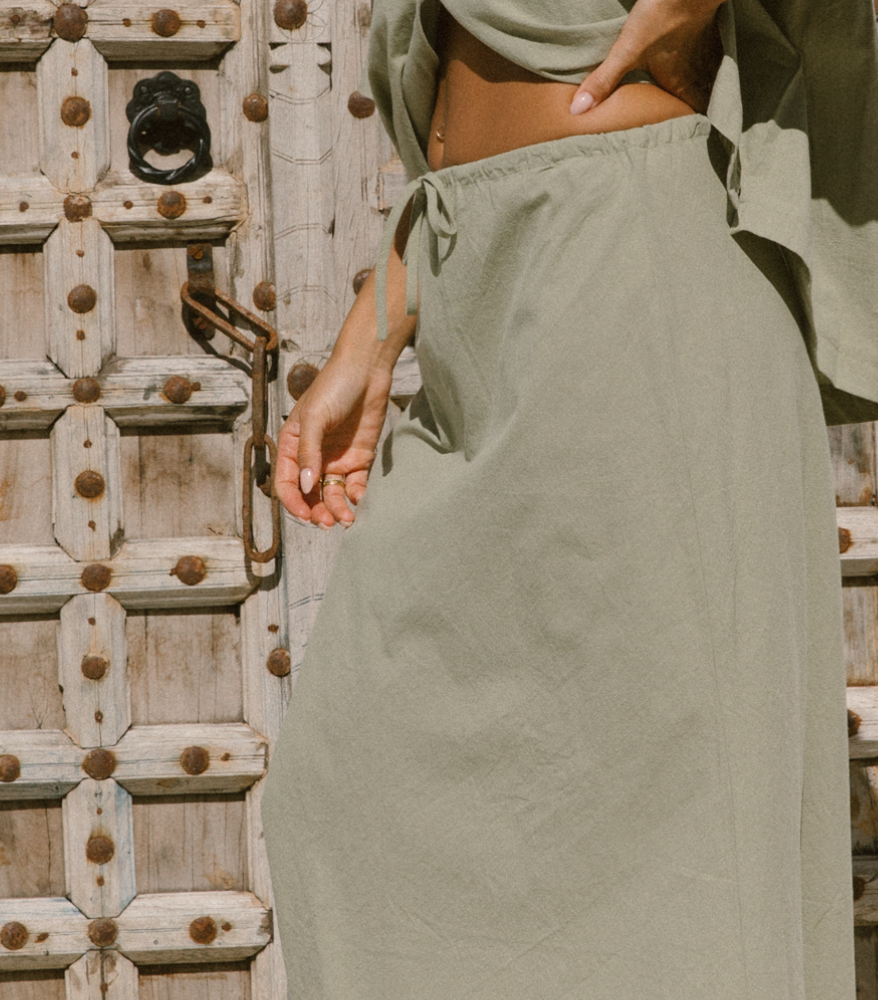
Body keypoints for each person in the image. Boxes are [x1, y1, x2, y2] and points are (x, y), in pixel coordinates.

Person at [259, 1, 878, 997]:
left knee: (680, 823)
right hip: (476, 268)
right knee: (343, 788)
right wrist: (375, 329)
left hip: (636, 255)